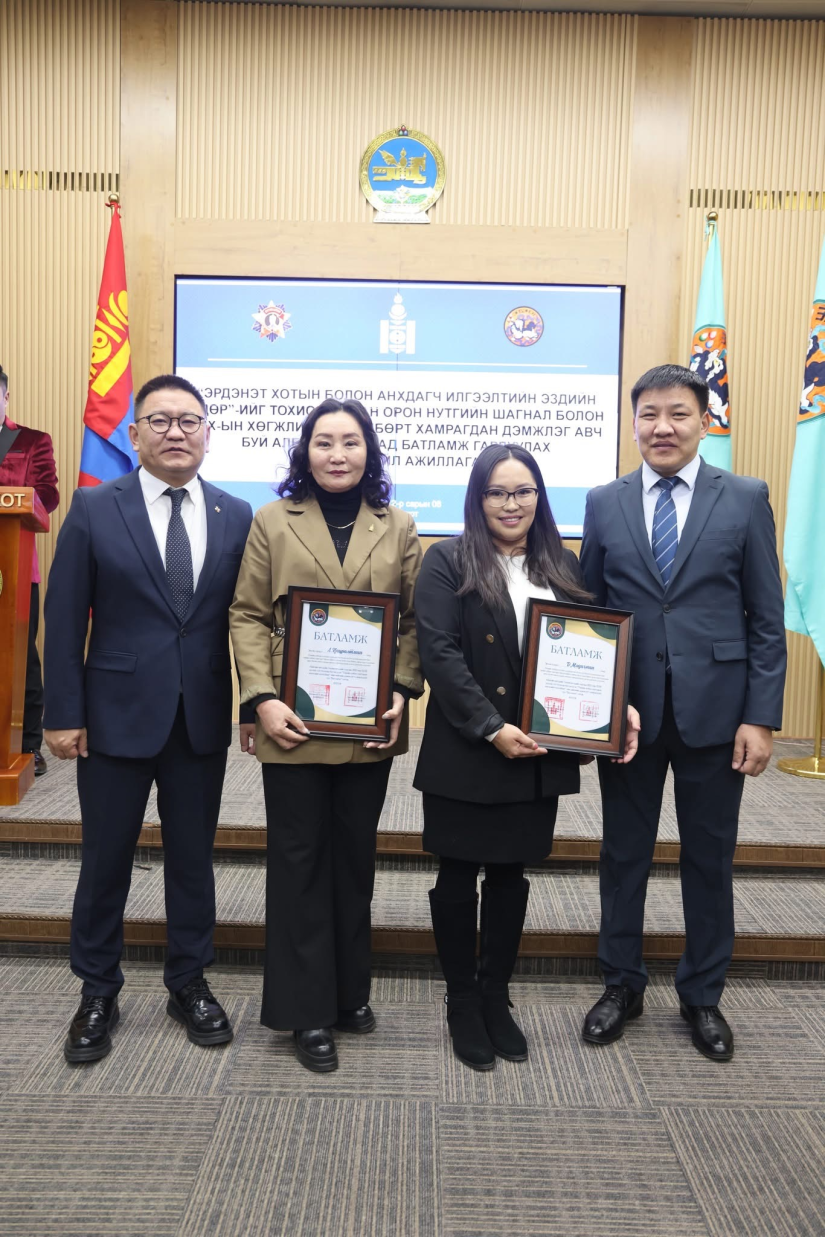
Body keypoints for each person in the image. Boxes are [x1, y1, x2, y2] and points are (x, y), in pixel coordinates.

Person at [43, 374, 253, 1065]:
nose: (175, 432)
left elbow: (250, 622)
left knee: (193, 861)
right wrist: (62, 713)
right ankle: (97, 990)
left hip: (199, 719)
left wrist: (253, 704)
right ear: (133, 435)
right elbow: (64, 616)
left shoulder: (236, 514)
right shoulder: (94, 507)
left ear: (207, 433)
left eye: (189, 420)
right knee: (105, 861)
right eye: (159, 420)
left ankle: (188, 981)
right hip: (113, 718)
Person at [579, 364, 787, 1063]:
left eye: (677, 413)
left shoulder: (745, 497)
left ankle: (702, 995)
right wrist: (600, 707)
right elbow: (590, 613)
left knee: (709, 857)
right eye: (649, 414)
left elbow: (765, 618)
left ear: (703, 420)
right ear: (633, 421)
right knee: (622, 854)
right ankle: (621, 984)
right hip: (630, 718)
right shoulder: (604, 502)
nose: (662, 427)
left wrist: (760, 716)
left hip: (718, 715)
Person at [413, 444, 640, 1070]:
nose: (511, 504)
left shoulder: (562, 564)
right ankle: (462, 1001)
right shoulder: (446, 560)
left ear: (539, 497)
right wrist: (491, 727)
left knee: (511, 876)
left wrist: (614, 707)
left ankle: (496, 996)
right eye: (497, 492)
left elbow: (592, 654)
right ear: (477, 498)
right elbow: (439, 654)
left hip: (538, 751)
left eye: (523, 491)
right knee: (457, 874)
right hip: (468, 746)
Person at [230, 398, 423, 1074]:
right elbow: (248, 615)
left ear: (369, 451)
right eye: (323, 442)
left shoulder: (399, 525)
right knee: (298, 863)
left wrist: (401, 689)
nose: (337, 454)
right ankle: (304, 1008)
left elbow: (413, 622)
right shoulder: (271, 521)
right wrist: (259, 699)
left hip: (369, 726)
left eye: (350, 441)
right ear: (304, 452)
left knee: (353, 862)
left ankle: (347, 992)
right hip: (292, 720)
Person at [0, 362, 59, 776]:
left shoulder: (32, 441)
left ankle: (27, 745)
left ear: (5, 397)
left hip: (14, 567)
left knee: (20, 655)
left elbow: (47, 495)